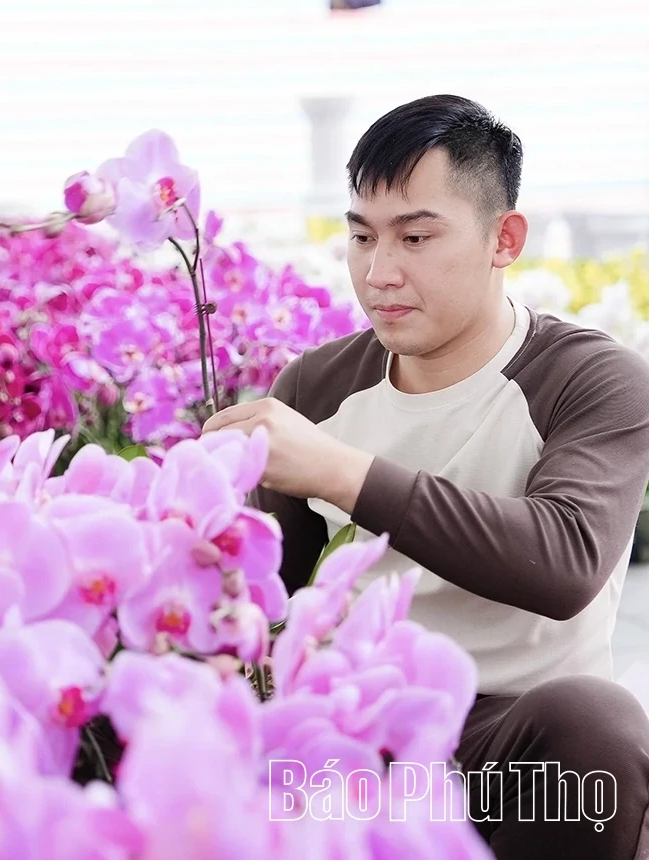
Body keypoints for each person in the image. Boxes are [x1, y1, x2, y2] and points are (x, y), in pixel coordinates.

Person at [203, 94, 649, 859]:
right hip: (356, 752)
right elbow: (267, 600)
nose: (379, 272)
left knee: (598, 727)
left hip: (513, 755)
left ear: (503, 238)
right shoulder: (316, 388)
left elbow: (567, 559)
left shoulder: (591, 379)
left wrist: (342, 473)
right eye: (360, 236)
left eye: (415, 236)